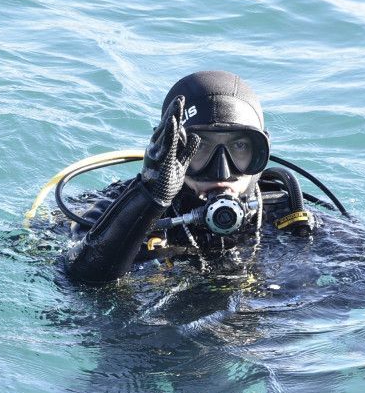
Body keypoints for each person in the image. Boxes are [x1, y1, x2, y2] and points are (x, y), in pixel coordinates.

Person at [65, 70, 324, 284]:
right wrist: (148, 198)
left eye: (239, 146)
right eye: (200, 147)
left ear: (260, 152)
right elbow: (79, 278)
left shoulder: (288, 213)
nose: (222, 172)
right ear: (169, 148)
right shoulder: (113, 209)